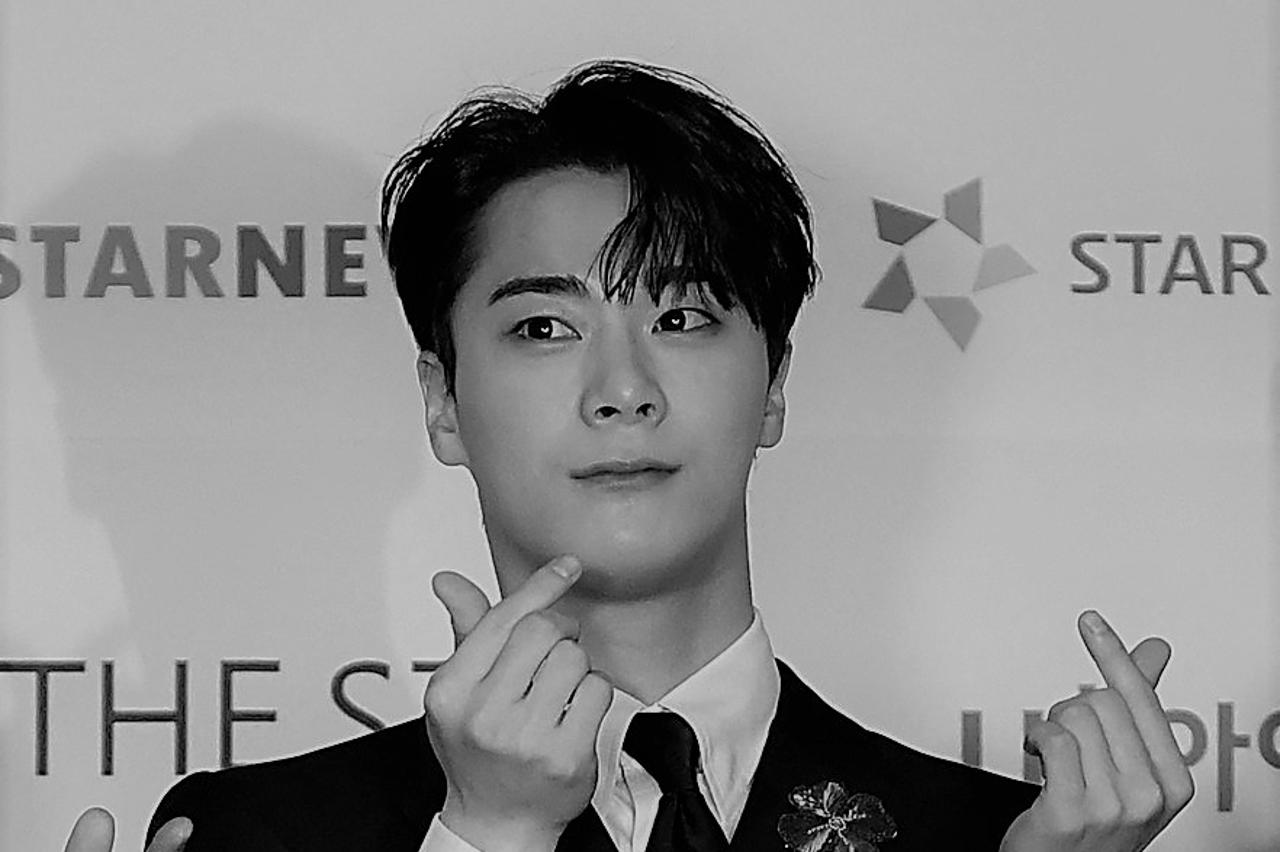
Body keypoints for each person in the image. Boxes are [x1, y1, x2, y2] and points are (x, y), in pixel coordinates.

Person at [65, 59, 1193, 852]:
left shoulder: (998, 839)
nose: (622, 390)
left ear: (774, 387)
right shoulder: (255, 835)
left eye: (683, 318)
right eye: (543, 328)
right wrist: (488, 834)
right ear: (443, 402)